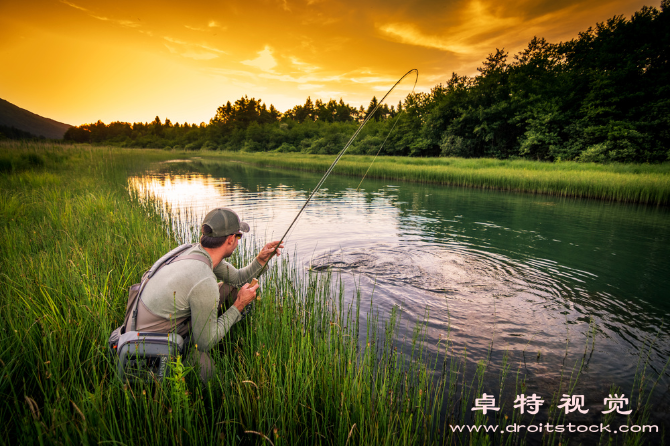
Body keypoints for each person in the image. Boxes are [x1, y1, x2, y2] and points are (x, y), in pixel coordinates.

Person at [135, 207, 283, 381]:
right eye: (238, 236)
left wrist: (261, 260)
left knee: (231, 289)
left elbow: (236, 279)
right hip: (154, 344)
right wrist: (239, 306)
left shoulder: (195, 251)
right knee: (216, 382)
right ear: (230, 239)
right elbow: (204, 343)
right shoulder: (204, 281)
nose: (238, 241)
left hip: (153, 323)